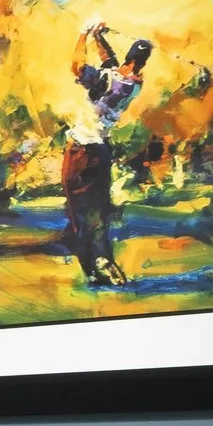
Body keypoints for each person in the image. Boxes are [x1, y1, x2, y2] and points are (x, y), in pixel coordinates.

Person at [64, 20, 150, 285]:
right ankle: (104, 260)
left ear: (129, 58)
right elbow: (111, 61)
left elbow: (77, 67)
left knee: (78, 212)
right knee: (99, 210)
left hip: (80, 152)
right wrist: (99, 37)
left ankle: (90, 266)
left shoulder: (107, 80)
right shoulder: (134, 84)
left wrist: (82, 33)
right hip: (101, 151)